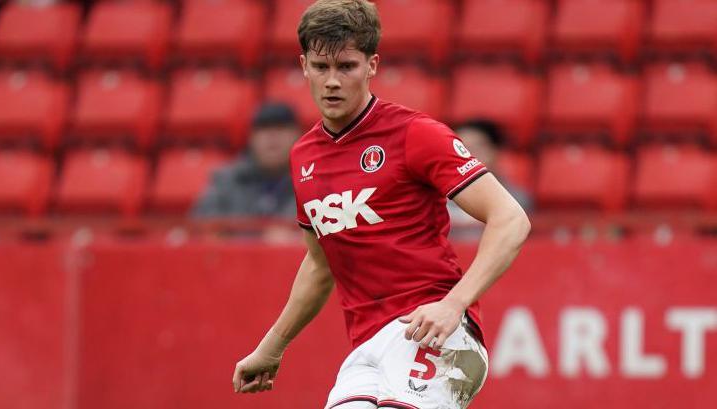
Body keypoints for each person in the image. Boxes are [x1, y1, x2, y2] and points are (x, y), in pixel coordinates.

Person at [232, 1, 531, 408]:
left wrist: (454, 304)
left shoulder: (415, 134)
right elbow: (321, 265)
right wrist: (271, 347)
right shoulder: (304, 156)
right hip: (366, 350)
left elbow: (510, 219)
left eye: (347, 66)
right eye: (321, 68)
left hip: (434, 333)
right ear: (303, 66)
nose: (332, 81)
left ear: (372, 65)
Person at [192, 102, 300, 220]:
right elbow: (201, 228)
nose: (272, 135)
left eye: (281, 128)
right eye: (263, 128)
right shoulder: (225, 180)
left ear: (297, 135)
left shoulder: (311, 180)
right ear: (251, 138)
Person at [447, 119, 533, 238]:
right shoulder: (436, 198)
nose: (467, 157)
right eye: (460, 150)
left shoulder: (516, 198)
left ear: (495, 151)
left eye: (476, 148)